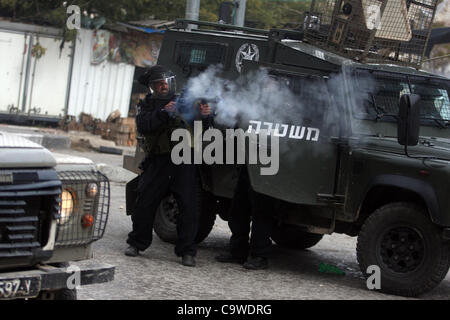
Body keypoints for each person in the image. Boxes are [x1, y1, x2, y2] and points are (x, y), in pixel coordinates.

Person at [125, 65, 211, 267]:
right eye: (158, 84)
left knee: (189, 207)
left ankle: (187, 252)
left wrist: (205, 116)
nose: (163, 86)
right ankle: (137, 243)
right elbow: (144, 124)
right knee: (145, 203)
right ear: (153, 87)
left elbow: (202, 130)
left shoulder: (187, 102)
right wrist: (164, 112)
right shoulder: (148, 104)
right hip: (159, 160)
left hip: (183, 160)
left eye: (165, 82)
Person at [215, 165, 276, 270]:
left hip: (268, 160)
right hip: (251, 160)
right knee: (239, 205)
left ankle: (259, 255)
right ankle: (238, 251)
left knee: (261, 209)